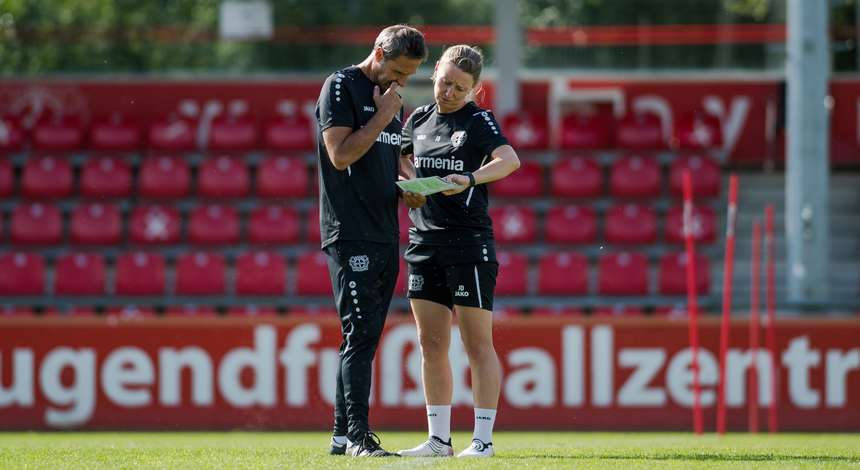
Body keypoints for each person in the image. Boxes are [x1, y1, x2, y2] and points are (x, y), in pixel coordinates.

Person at [396, 45, 520, 458]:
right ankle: (438, 440)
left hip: (467, 244)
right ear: (434, 74)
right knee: (430, 342)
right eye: (445, 82)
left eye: (460, 87)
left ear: (475, 88)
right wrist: (410, 185)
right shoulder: (418, 119)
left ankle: (482, 441)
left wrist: (469, 178)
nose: (449, 92)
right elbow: (402, 162)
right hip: (423, 242)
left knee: (476, 345)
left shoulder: (479, 120)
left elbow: (509, 160)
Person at [315, 24, 428, 457]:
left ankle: (342, 437)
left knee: (362, 338)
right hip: (350, 230)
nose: (402, 81)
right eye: (398, 70)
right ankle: (361, 438)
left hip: (384, 230)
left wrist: (413, 184)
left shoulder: (391, 98)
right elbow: (340, 153)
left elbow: (393, 155)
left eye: (411, 74)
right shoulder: (341, 86)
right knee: (359, 336)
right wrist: (384, 113)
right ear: (378, 52)